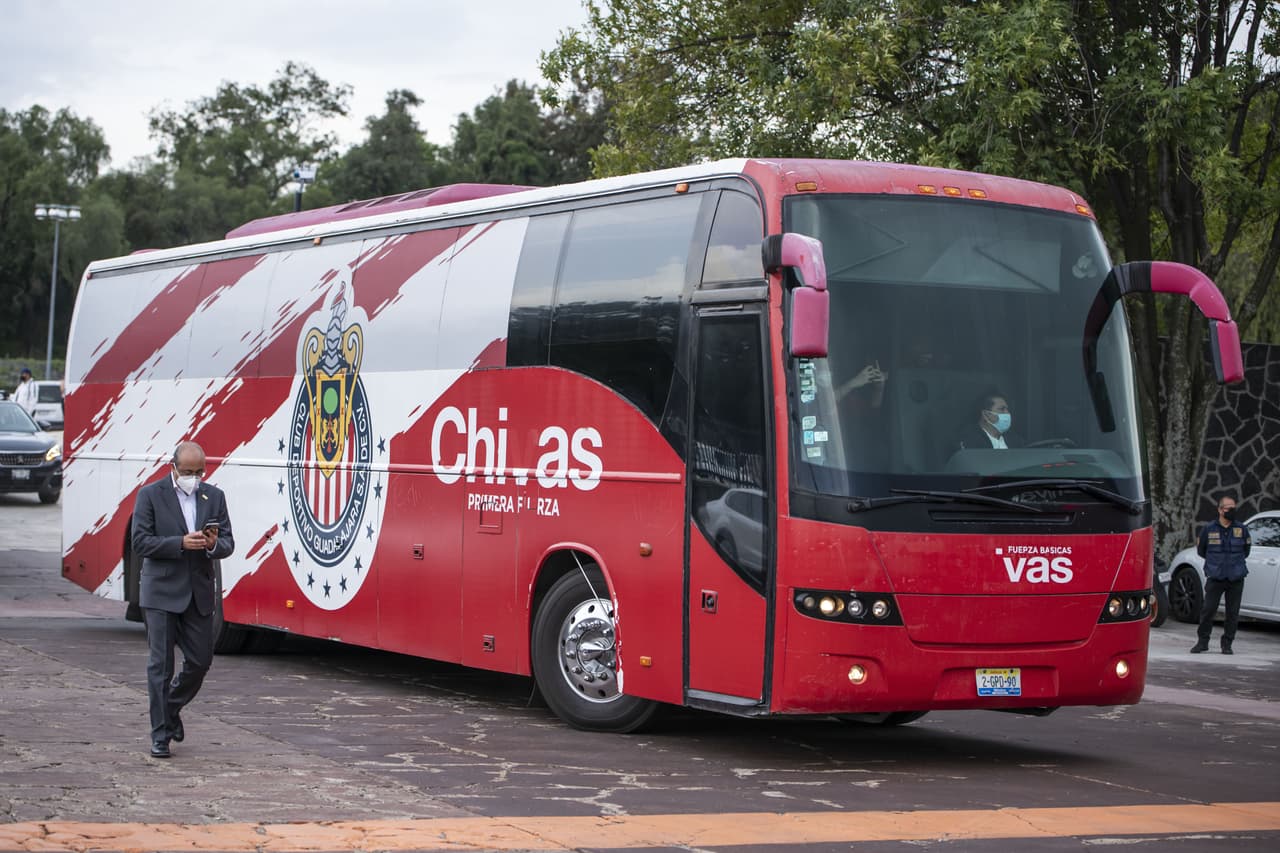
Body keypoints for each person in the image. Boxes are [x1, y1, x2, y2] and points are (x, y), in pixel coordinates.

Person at [131, 441, 234, 758]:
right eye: (188, 472)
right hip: (161, 592)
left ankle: (171, 707)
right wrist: (180, 543)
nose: (194, 477)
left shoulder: (213, 496)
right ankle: (160, 735)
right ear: (173, 468)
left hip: (198, 592)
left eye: (199, 471)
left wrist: (213, 545)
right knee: (160, 665)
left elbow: (228, 542)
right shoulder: (150, 495)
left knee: (200, 661)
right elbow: (140, 541)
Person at [1190, 494, 1251, 655]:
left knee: (1232, 613)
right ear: (1220, 510)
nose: (1232, 511)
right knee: (1208, 610)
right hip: (1215, 577)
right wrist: (1216, 564)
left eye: (1234, 508)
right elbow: (1202, 550)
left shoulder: (1241, 529)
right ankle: (1202, 642)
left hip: (1235, 577)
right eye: (1228, 508)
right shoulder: (1209, 529)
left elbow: (1246, 551)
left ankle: (1227, 644)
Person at [956, 391, 1022, 450]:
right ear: (986, 414)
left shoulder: (1015, 440)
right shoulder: (969, 441)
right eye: (1002, 409)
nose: (1007, 413)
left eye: (1007, 409)